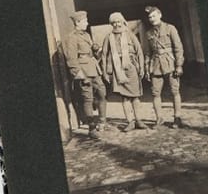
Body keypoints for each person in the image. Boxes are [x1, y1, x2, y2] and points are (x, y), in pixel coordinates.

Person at [101, 12, 149, 132]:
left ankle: (139, 120)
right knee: (125, 97)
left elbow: (139, 51)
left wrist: (142, 67)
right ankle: (130, 122)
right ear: (111, 24)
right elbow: (104, 55)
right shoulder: (108, 37)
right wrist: (105, 72)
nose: (116, 24)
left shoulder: (130, 34)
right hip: (118, 70)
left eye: (118, 21)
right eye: (114, 22)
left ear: (123, 21)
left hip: (131, 68)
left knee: (135, 96)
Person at [63, 10, 106, 140]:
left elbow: (92, 53)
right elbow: (71, 59)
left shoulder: (87, 35)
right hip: (84, 72)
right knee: (88, 99)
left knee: (102, 93)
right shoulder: (71, 38)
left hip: (94, 69)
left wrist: (96, 49)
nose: (87, 23)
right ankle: (92, 129)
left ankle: (102, 122)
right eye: (85, 21)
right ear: (77, 22)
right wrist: (79, 75)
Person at [144, 6, 185, 128]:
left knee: (174, 91)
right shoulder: (149, 33)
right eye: (150, 17)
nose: (152, 19)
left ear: (160, 15)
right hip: (156, 65)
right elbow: (148, 53)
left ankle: (177, 118)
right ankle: (159, 119)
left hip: (170, 63)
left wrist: (179, 65)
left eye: (154, 16)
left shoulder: (170, 28)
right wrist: (147, 68)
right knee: (155, 93)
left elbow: (178, 48)